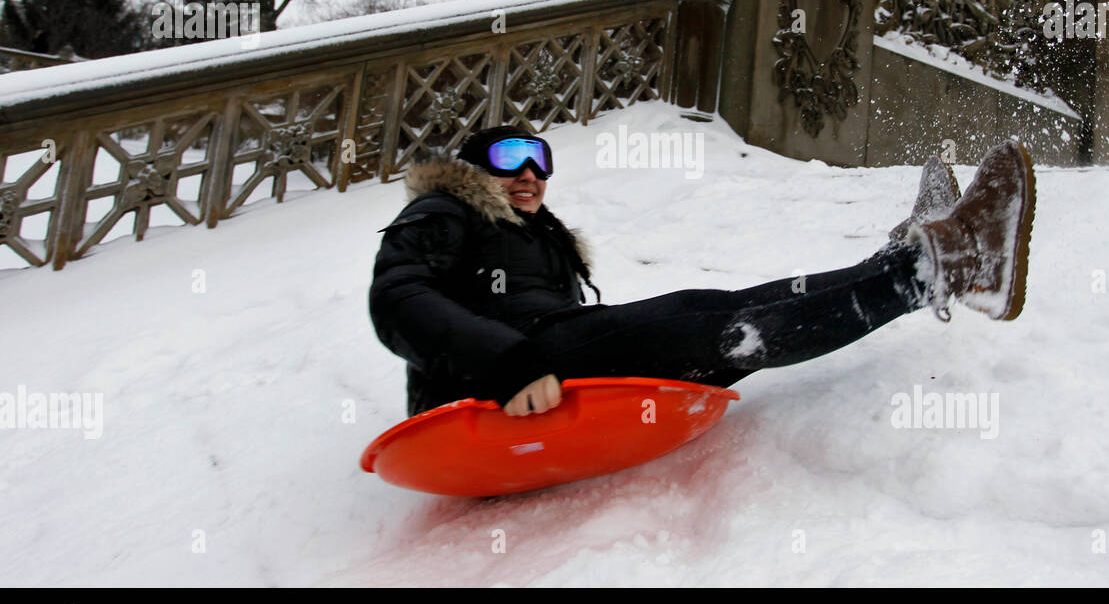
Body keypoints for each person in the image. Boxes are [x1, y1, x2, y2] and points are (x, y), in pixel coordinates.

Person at [369, 125, 1035, 419]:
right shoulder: (444, 210)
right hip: (489, 389)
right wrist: (506, 364)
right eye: (511, 157)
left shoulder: (541, 244)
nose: (531, 173)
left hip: (550, 363)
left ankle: (909, 261)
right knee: (708, 317)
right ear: (471, 168)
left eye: (541, 160)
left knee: (732, 320)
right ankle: (949, 261)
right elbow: (398, 299)